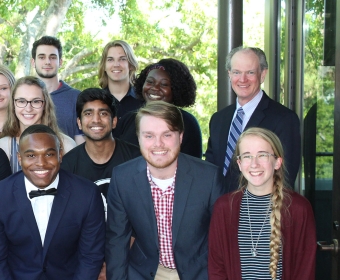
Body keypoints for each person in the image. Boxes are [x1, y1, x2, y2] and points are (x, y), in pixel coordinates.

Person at [106, 101, 225, 279]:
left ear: (181, 136)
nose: (158, 144)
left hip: (198, 272)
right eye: (149, 136)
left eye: (167, 135)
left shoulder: (209, 178)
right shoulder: (122, 178)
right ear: (138, 137)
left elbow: (224, 240)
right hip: (146, 271)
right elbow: (117, 241)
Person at [0, 124, 105, 279]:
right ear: (20, 158)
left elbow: (91, 257)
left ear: (60, 155)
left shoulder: (87, 194)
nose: (41, 163)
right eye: (31, 155)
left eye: (49, 154)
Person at [208, 128, 316, 279]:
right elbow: (216, 268)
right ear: (239, 164)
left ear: (277, 162)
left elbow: (305, 270)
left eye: (262, 155)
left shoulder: (298, 209)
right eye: (247, 156)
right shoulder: (224, 208)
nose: (254, 164)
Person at [205, 46, 301, 191]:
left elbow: (285, 178)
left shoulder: (284, 119)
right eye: (236, 72)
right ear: (229, 74)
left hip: (257, 210)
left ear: (262, 75)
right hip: (218, 209)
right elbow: (210, 170)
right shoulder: (219, 119)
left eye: (250, 72)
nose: (242, 79)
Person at [114, 58, 203, 158]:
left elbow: (192, 167)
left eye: (164, 84)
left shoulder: (187, 123)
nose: (155, 88)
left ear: (176, 89)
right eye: (150, 82)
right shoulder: (128, 120)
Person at [62, 88, 141, 197]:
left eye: (103, 113)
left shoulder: (137, 159)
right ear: (79, 123)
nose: (96, 120)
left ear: (114, 121)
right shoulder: (67, 166)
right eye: (88, 113)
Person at [0, 76, 77, 172]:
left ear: (45, 105)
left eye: (36, 101)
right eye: (21, 101)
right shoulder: (2, 147)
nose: (28, 108)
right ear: (13, 105)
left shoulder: (67, 146)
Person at [31, 36, 82, 143]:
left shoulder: (76, 98)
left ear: (60, 62)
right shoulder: (22, 97)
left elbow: (81, 143)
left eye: (53, 57)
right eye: (41, 57)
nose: (47, 62)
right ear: (33, 62)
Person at [97, 40, 143, 122]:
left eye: (122, 59)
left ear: (131, 65)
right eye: (110, 59)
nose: (116, 64)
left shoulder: (144, 100)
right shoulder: (95, 101)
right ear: (104, 66)